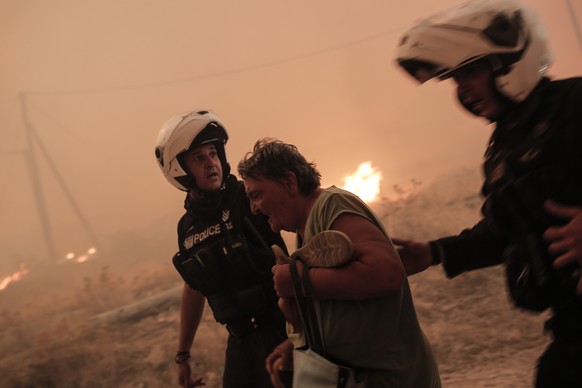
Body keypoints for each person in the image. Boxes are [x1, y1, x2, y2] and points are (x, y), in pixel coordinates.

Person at [395, 0, 582, 386]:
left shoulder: (575, 103)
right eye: (454, 78)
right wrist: (436, 252)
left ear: (511, 60)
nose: (462, 89)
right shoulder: (503, 147)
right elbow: (508, 229)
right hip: (573, 328)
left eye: (470, 72)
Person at [237, 138, 441, 388]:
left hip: (392, 378)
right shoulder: (307, 228)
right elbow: (342, 302)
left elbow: (387, 273)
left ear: (289, 182)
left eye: (257, 195)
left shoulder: (331, 205)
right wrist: (296, 344)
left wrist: (296, 280)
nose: (254, 209)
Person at [154, 110, 289, 388]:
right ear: (179, 169)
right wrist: (183, 355)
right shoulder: (187, 228)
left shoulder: (246, 197)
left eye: (213, 153)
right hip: (239, 343)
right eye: (199, 157)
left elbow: (299, 217)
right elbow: (194, 288)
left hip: (283, 330)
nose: (211, 163)